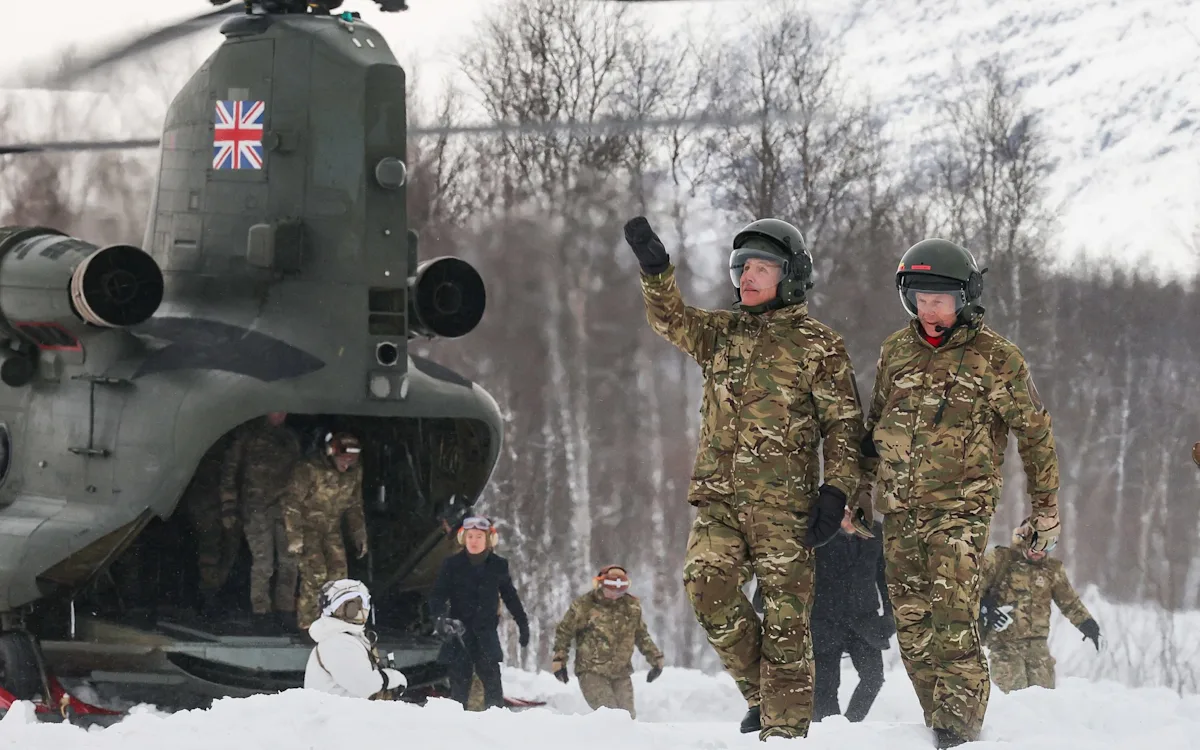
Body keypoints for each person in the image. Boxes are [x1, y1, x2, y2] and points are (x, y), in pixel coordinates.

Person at [624, 216, 864, 740]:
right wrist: (655, 269)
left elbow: (845, 427)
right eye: (743, 267)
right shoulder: (721, 333)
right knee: (706, 584)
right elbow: (670, 319)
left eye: (763, 267)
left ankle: (783, 731)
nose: (749, 277)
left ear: (791, 275)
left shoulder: (818, 346)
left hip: (788, 510)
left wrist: (838, 490)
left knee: (786, 627)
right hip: (720, 503)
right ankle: (764, 695)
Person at [859, 238, 1061, 748]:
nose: (930, 310)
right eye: (920, 299)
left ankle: (959, 731)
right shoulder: (896, 351)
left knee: (952, 616)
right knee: (912, 626)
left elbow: (1035, 433)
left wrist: (1046, 509)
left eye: (941, 300)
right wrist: (859, 495)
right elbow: (873, 429)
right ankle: (941, 723)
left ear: (965, 297)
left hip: (960, 511)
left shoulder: (996, 357)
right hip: (900, 510)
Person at [978, 521, 1100, 693]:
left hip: (1039, 649)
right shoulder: (1000, 560)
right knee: (1014, 701)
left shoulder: (1051, 570)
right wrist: (986, 610)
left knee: (1044, 705)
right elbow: (968, 590)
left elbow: (1070, 603)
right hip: (1005, 646)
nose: (1039, 552)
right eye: (1035, 546)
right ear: (1024, 540)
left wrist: (1087, 624)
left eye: (1046, 546)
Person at [427, 516, 530, 710]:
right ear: (463, 539)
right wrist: (439, 618)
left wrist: (522, 623)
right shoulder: (452, 564)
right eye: (470, 536)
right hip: (459, 636)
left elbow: (510, 597)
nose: (474, 541)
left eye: (479, 537)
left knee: (493, 688)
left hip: (486, 636)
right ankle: (458, 729)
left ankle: (494, 728)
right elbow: (437, 596)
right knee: (458, 691)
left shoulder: (498, 565)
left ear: (489, 540)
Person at [219, 411, 303, 629]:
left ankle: (285, 610)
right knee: (263, 562)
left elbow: (299, 474)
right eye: (275, 410)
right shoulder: (248, 436)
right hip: (256, 507)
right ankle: (261, 612)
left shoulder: (290, 439)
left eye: (283, 411)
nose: (279, 415)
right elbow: (230, 470)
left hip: (284, 507)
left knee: (290, 561)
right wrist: (229, 505)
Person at [810, 507, 893, 723]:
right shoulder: (820, 532)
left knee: (873, 678)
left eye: (852, 509)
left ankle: (851, 726)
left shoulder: (875, 533)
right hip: (825, 620)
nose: (847, 514)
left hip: (864, 620)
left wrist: (890, 615)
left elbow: (884, 577)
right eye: (843, 509)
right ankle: (831, 733)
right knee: (825, 685)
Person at [551, 565, 665, 719]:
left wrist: (655, 659)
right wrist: (559, 659)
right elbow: (565, 631)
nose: (615, 593)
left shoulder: (631, 607)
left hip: (621, 672)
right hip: (591, 671)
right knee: (611, 716)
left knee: (628, 718)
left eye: (621, 588)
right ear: (601, 583)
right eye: (611, 587)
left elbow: (641, 634)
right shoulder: (584, 605)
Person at [282, 431, 369, 631]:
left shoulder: (354, 472)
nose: (347, 464)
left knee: (339, 576)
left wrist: (359, 535)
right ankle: (308, 626)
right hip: (307, 529)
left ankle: (336, 626)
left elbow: (355, 506)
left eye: (351, 460)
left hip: (331, 530)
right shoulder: (309, 469)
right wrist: (295, 537)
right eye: (343, 459)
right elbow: (291, 502)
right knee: (316, 575)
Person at [304, 578, 407, 699]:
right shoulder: (338, 643)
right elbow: (365, 685)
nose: (358, 610)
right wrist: (393, 678)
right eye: (351, 604)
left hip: (344, 714)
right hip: (337, 715)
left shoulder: (344, 637)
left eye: (361, 603)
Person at [183, 434, 239, 618]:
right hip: (207, 503)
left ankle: (213, 593)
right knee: (210, 550)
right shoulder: (207, 448)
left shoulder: (233, 444)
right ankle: (209, 597)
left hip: (225, 505)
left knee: (227, 549)